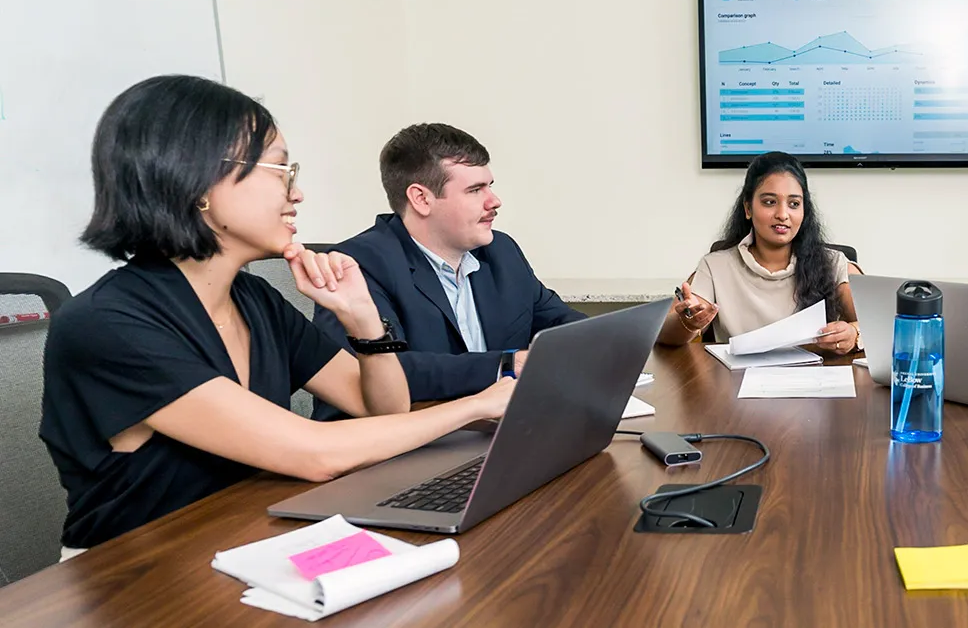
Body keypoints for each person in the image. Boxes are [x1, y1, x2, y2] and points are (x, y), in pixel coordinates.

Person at [39, 76, 515, 555]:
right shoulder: (108, 324)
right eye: (280, 169)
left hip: (243, 543)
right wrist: (478, 404)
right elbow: (316, 453)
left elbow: (381, 408)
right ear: (197, 181)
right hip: (135, 575)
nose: (297, 193)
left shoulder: (254, 299)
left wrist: (365, 322)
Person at [310, 123, 584, 420]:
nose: (494, 201)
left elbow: (558, 320)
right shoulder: (356, 265)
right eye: (475, 190)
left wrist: (598, 343)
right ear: (422, 199)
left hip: (490, 430)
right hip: (392, 447)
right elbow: (387, 372)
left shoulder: (501, 251)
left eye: (489, 185)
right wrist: (505, 365)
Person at [657, 151, 860, 355]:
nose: (782, 214)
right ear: (748, 208)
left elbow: (882, 325)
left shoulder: (833, 264)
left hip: (815, 382)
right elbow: (665, 333)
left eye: (794, 204)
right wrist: (688, 323)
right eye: (769, 202)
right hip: (736, 382)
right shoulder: (714, 267)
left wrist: (854, 333)